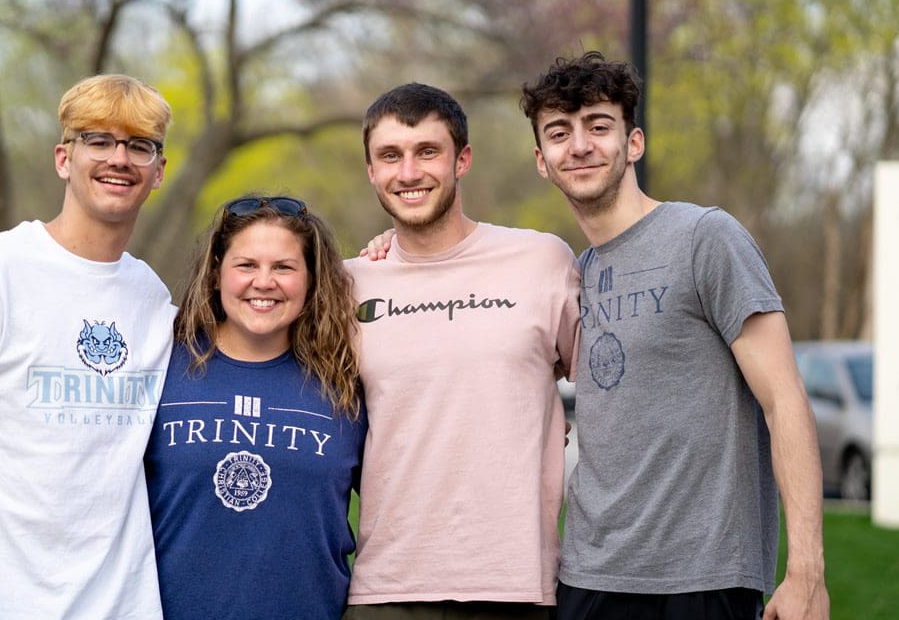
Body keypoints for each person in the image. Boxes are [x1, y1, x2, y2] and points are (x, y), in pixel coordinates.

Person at [519, 51, 829, 620]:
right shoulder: (569, 274)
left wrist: (807, 571)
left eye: (599, 126)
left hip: (703, 579)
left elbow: (784, 401)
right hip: (588, 577)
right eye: (560, 133)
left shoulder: (705, 238)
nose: (580, 145)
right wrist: (391, 253)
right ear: (542, 160)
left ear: (633, 143)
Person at [0, 74, 176, 619]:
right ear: (63, 158)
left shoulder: (152, 296)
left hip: (125, 606)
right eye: (98, 140)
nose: (119, 158)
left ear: (158, 171)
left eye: (139, 145)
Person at [343, 83, 580, 619]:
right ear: (371, 170)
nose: (408, 173)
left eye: (427, 152)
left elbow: (610, 390)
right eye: (390, 156)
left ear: (462, 160)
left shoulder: (541, 261)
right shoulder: (347, 286)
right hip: (387, 590)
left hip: (517, 587)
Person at [145, 194, 366, 620]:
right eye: (246, 265)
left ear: (311, 280)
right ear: (215, 275)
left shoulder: (345, 382)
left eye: (283, 267)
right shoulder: (159, 366)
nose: (264, 282)